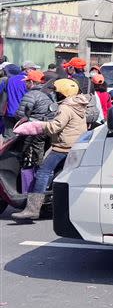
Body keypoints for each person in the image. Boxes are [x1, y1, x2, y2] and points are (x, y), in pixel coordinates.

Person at [11, 78, 89, 221]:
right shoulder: (79, 104)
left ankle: (32, 209)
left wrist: (38, 126)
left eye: (57, 92)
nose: (55, 95)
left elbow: (55, 126)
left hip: (63, 147)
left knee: (43, 172)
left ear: (63, 94)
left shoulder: (66, 107)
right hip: (75, 144)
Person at [14, 70, 57, 170]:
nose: (25, 83)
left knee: (26, 153)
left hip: (34, 129)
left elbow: (21, 114)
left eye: (27, 81)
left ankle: (31, 175)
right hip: (48, 127)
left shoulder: (31, 94)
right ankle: (38, 170)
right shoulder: (50, 93)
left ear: (32, 82)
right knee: (40, 151)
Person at [0, 64, 27, 139]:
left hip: (10, 112)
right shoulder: (28, 80)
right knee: (22, 135)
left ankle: (9, 149)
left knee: (9, 136)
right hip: (24, 112)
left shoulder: (7, 80)